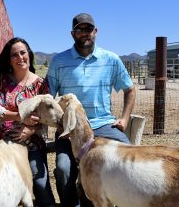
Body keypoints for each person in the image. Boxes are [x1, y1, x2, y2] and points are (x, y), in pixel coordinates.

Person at [46, 13, 136, 207]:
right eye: (80, 30)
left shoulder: (111, 59)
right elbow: (49, 98)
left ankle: (117, 200)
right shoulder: (58, 62)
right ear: (72, 34)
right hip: (70, 128)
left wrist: (124, 119)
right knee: (63, 169)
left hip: (103, 124)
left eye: (88, 29)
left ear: (95, 32)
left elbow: (129, 89)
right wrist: (60, 125)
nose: (84, 33)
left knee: (130, 159)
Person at [0, 37, 56, 207]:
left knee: (40, 183)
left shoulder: (41, 85)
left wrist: (31, 130)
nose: (20, 57)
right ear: (9, 59)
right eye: (14, 55)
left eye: (23, 53)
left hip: (31, 142)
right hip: (0, 141)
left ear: (29, 54)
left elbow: (46, 117)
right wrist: (19, 116)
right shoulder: (0, 80)